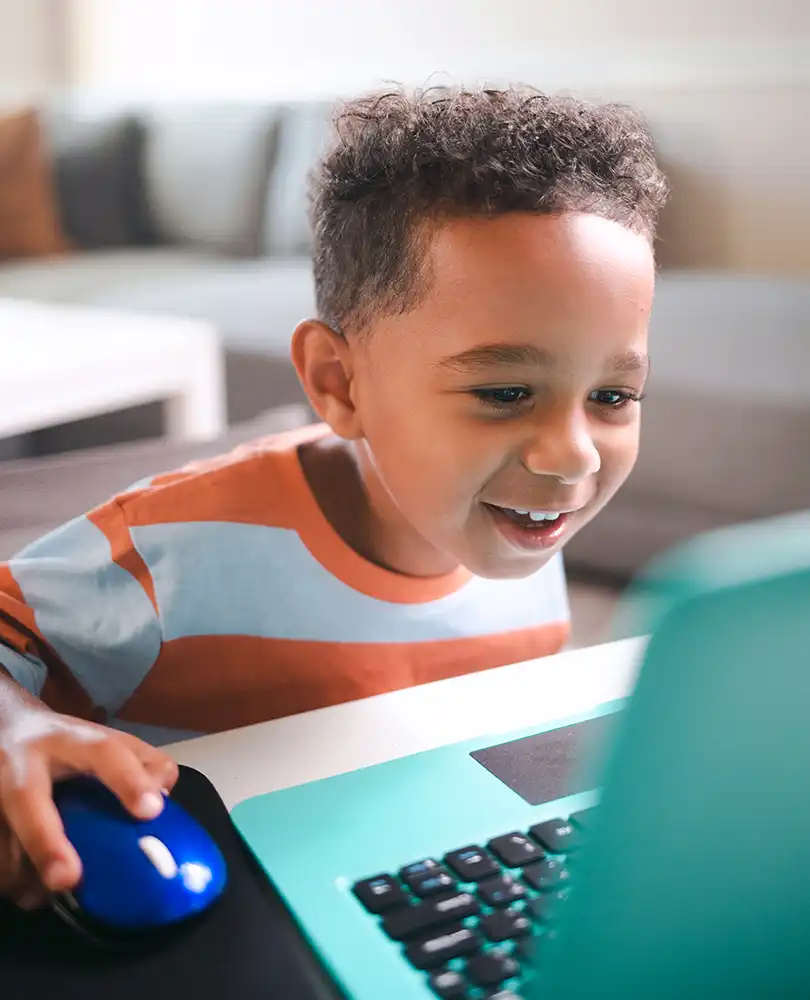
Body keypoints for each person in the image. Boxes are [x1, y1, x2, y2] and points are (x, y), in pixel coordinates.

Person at [0, 85, 668, 908]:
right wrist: (16, 726)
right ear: (338, 382)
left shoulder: (525, 527)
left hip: (398, 877)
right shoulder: (163, 552)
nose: (571, 459)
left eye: (612, 397)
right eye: (504, 393)